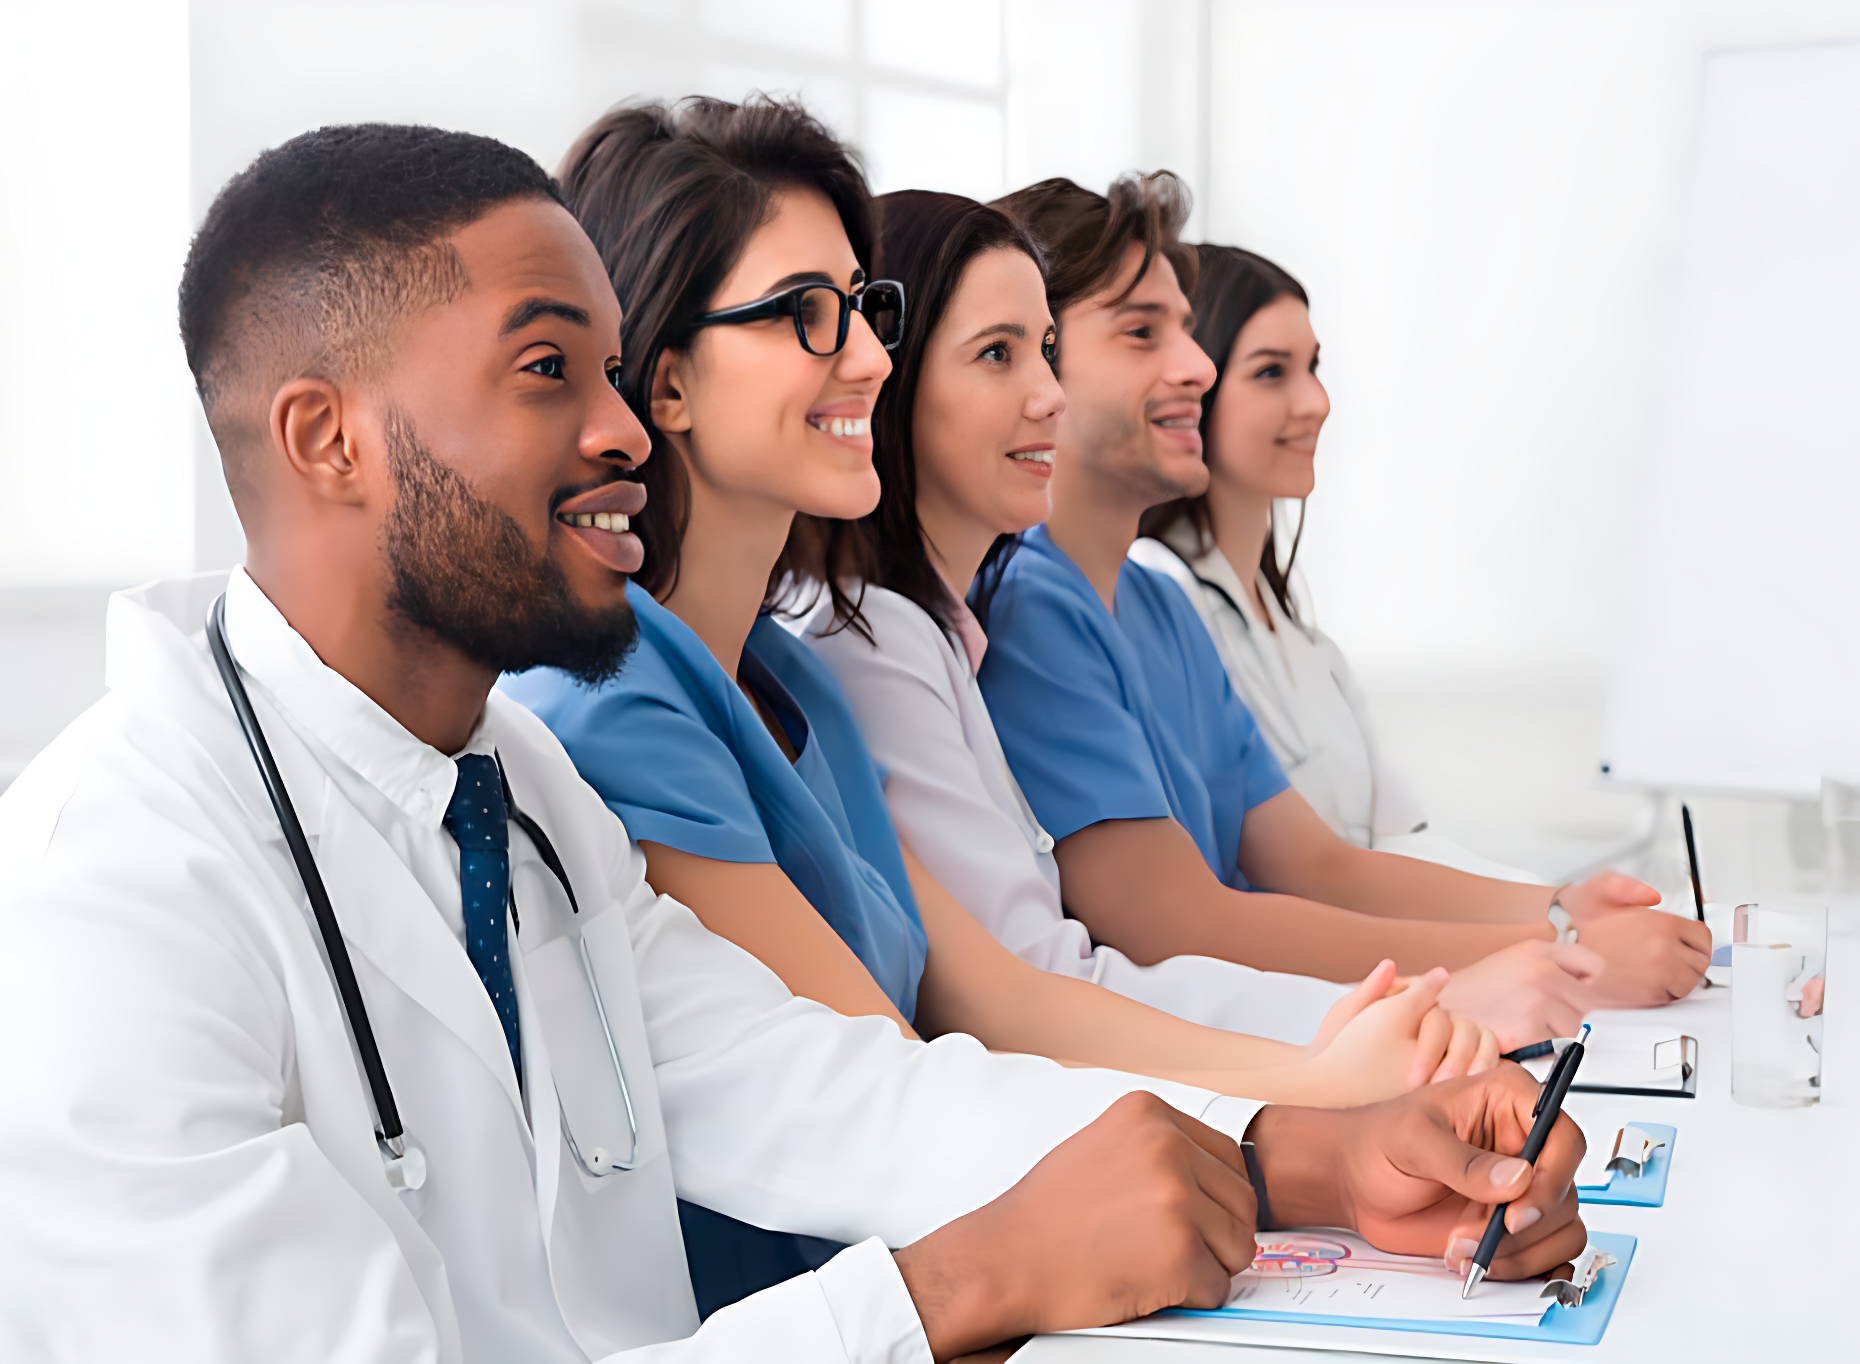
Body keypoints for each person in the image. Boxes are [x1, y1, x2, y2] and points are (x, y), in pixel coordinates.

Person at [0, 123, 1589, 1362]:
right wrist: (958, 1281)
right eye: (552, 371)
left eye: (616, 370)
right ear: (326, 437)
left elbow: (815, 1085)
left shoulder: (520, 789)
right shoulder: (115, 894)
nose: (625, 428)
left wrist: (1316, 1158)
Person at [503, 101, 1498, 1310]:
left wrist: (1320, 1075)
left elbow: (997, 991)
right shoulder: (613, 702)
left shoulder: (788, 675)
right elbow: (887, 1085)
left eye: (866, 311)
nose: (869, 357)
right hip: (848, 1302)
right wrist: (1302, 1112)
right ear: (665, 384)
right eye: (805, 317)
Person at [978, 173, 1714, 1046]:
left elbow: (1317, 861)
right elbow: (1179, 925)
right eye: (1144, 332)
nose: (1196, 368)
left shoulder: (1155, 609)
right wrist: (1557, 944)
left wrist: (1555, 913)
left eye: (1185, 329)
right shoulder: (1032, 609)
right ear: (1036, 362)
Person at [801, 189, 1366, 1044]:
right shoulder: (884, 643)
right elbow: (1037, 990)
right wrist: (1360, 1032)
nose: (1049, 394)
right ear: (891, 377)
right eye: (998, 353)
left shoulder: (946, 631)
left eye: (1049, 352)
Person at [1131, 245, 1532, 882]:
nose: (1316, 401)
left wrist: (1562, 907)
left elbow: (1403, 840)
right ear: (1191, 387)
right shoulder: (1154, 595)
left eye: (1312, 367)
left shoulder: (1311, 647)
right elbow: (1297, 877)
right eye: (1271, 372)